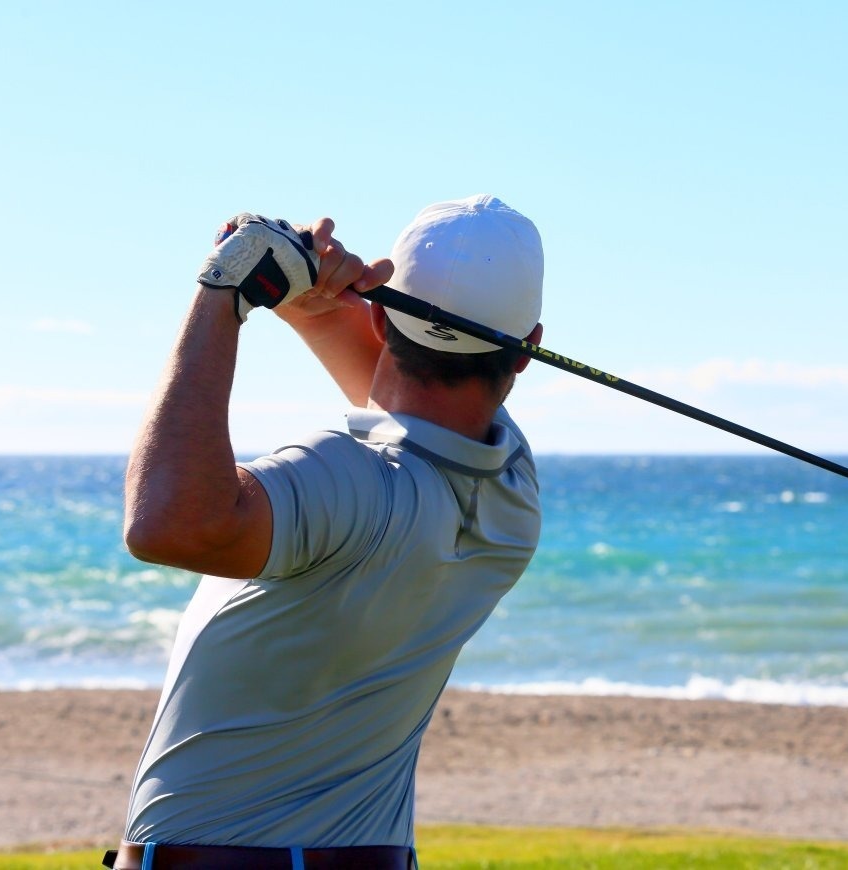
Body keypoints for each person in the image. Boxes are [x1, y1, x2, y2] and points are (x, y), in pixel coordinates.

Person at [110, 195, 545, 870]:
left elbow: (166, 523)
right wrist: (305, 302)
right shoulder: (513, 489)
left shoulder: (344, 479)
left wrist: (224, 290)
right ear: (527, 351)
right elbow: (412, 403)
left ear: (381, 314)